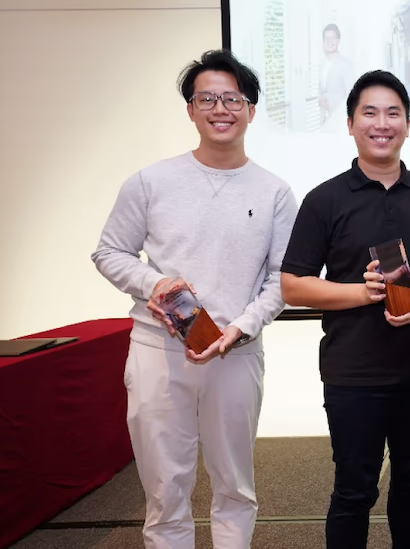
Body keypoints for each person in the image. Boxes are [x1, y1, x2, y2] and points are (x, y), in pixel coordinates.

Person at [91, 49, 297, 548]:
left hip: (236, 352)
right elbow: (109, 252)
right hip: (158, 352)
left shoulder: (275, 192)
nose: (220, 109)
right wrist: (151, 283)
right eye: (207, 98)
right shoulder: (150, 181)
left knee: (235, 485)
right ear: (190, 109)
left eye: (233, 99)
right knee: (165, 489)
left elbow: (282, 280)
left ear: (250, 110)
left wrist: (242, 328)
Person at [280, 70, 410, 549]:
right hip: (353, 375)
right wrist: (362, 293)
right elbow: (292, 286)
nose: (382, 123)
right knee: (355, 491)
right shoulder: (325, 199)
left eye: (393, 113)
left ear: (408, 123)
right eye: (370, 113)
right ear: (351, 123)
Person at [318, 23, 357, 129]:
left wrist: (331, 103)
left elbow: (351, 97)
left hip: (340, 123)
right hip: (324, 121)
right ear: (323, 42)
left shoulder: (347, 65)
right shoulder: (322, 65)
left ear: (338, 40)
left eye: (333, 38)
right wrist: (320, 99)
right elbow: (321, 90)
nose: (329, 42)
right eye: (326, 38)